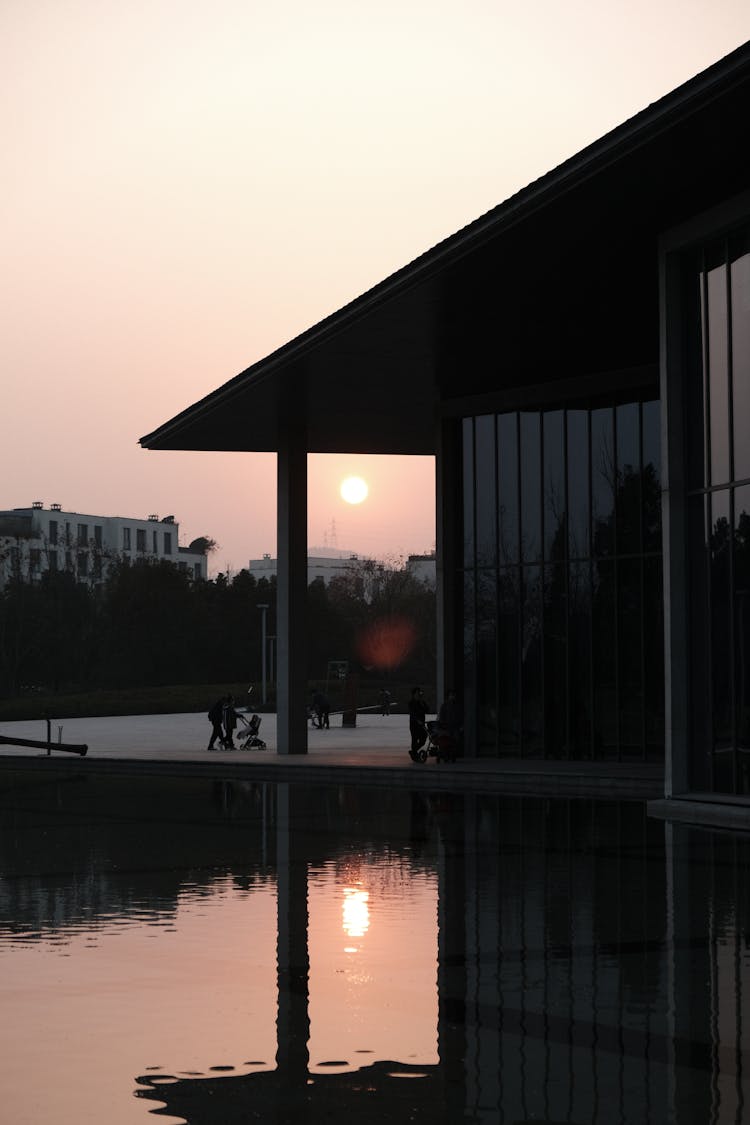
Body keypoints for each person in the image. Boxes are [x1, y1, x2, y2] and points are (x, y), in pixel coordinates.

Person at [408, 686, 428, 760]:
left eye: (419, 692)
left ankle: (413, 751)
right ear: (413, 694)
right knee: (415, 739)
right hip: (414, 724)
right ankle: (414, 755)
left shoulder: (422, 702)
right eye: (417, 693)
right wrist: (417, 720)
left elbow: (427, 710)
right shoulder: (411, 703)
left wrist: (422, 703)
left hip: (421, 724)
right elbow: (412, 713)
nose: (418, 694)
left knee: (423, 738)